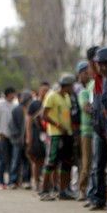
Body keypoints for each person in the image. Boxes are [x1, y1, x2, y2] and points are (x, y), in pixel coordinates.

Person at [39, 73, 77, 201]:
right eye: (71, 85)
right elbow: (43, 115)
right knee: (51, 162)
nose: (73, 88)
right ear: (66, 86)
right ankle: (44, 190)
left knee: (66, 163)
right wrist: (58, 125)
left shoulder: (67, 97)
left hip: (67, 135)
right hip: (56, 134)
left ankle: (63, 191)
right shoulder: (52, 96)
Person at [86, 47, 107, 211]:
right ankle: (97, 198)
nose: (101, 66)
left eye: (105, 63)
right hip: (98, 128)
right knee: (98, 165)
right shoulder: (96, 80)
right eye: (98, 63)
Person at [76, 60, 94, 200]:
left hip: (97, 130)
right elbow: (86, 108)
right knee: (86, 161)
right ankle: (82, 189)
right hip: (87, 131)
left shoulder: (93, 85)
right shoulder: (83, 91)